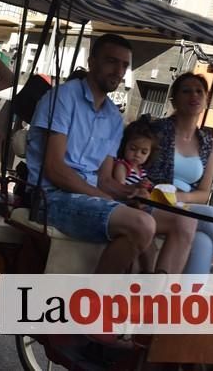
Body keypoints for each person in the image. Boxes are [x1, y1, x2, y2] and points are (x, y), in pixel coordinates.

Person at [25, 33, 156, 277]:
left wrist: (130, 192)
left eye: (124, 65)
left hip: (87, 198)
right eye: (111, 62)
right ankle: (93, 301)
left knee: (172, 220)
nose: (118, 71)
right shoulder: (63, 97)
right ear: (92, 61)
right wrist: (104, 198)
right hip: (49, 197)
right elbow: (54, 169)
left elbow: (105, 179)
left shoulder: (114, 117)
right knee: (142, 225)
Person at [144, 72, 213, 282]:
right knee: (212, 215)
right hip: (152, 201)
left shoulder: (208, 144)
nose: (193, 95)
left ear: (207, 98)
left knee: (204, 241)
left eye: (199, 91)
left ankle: (185, 305)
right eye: (186, 91)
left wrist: (178, 198)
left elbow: (203, 193)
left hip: (183, 206)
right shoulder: (156, 131)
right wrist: (162, 194)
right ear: (174, 99)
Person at [113, 119, 197, 273]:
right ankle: (149, 274)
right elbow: (121, 188)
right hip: (130, 208)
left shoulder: (142, 172)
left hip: (144, 209)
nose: (137, 155)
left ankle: (154, 276)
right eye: (133, 148)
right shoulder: (122, 166)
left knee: (152, 242)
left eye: (143, 152)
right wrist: (137, 189)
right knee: (146, 241)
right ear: (124, 145)